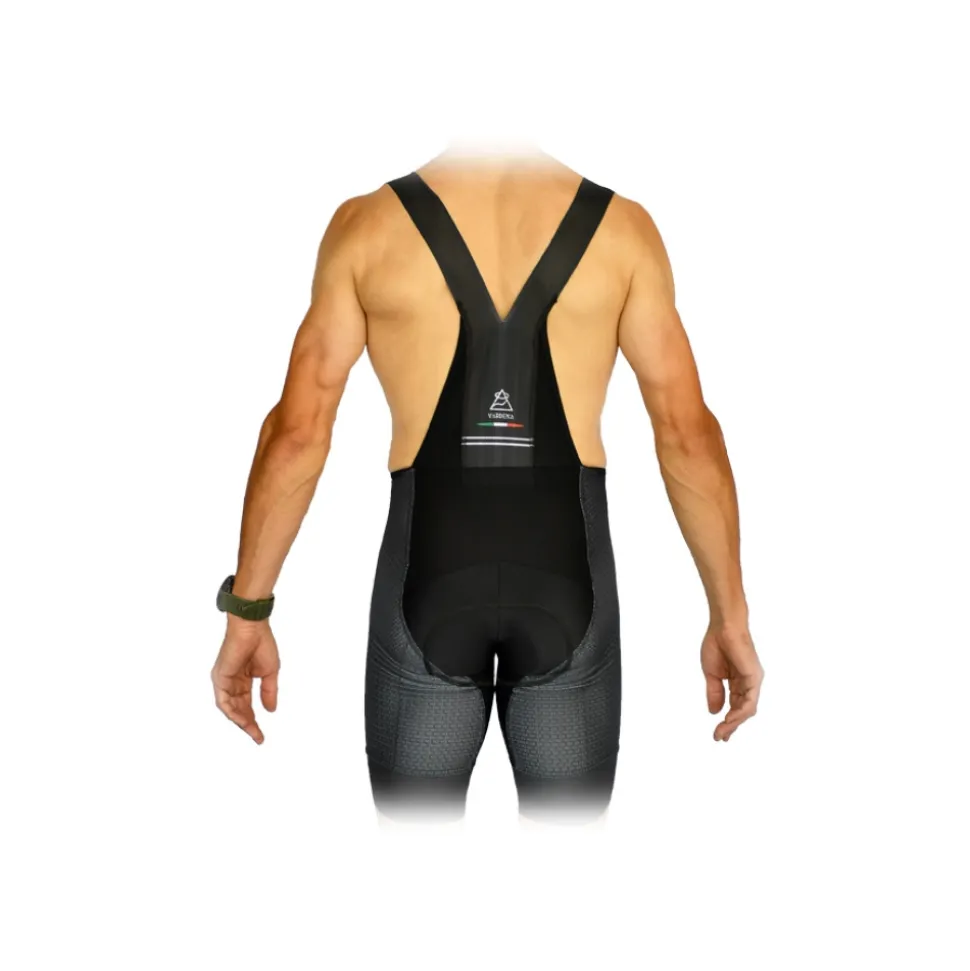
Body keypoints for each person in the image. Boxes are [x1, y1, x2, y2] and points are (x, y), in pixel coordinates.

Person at [210, 142, 764, 823]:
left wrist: (248, 610)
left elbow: (298, 432)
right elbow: (687, 433)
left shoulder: (368, 226)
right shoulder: (623, 231)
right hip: (569, 591)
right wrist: (729, 616)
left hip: (425, 585)